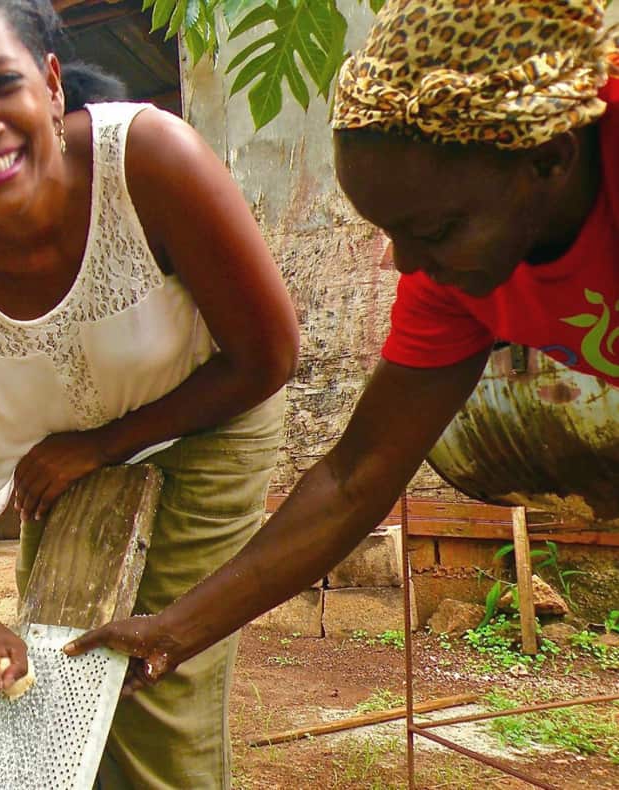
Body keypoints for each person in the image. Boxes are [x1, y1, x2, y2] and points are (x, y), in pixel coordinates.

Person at [67, 0, 619, 701]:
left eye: (436, 229)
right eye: (390, 230)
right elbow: (356, 476)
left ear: (550, 159)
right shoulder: (452, 277)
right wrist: (172, 630)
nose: (405, 262)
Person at [0, 0, 298, 786]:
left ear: (51, 85)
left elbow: (266, 357)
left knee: (148, 677)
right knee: (51, 679)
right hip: (58, 461)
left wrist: (103, 446)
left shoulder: (151, 160)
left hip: (207, 419)